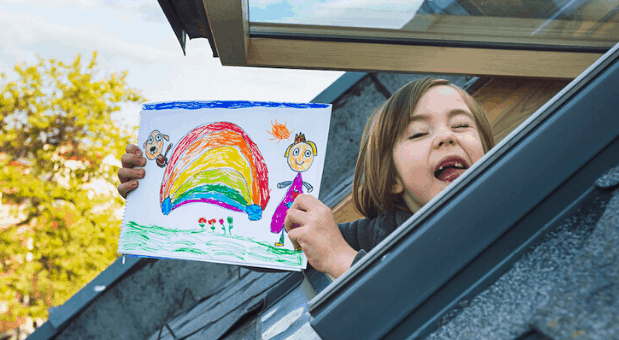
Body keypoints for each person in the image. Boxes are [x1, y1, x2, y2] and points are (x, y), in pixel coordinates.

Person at [117, 77, 495, 278]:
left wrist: (340, 259)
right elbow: (273, 240)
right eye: (418, 133)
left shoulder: (515, 205)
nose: (447, 136)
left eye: (461, 125)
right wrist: (152, 182)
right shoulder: (377, 235)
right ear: (391, 177)